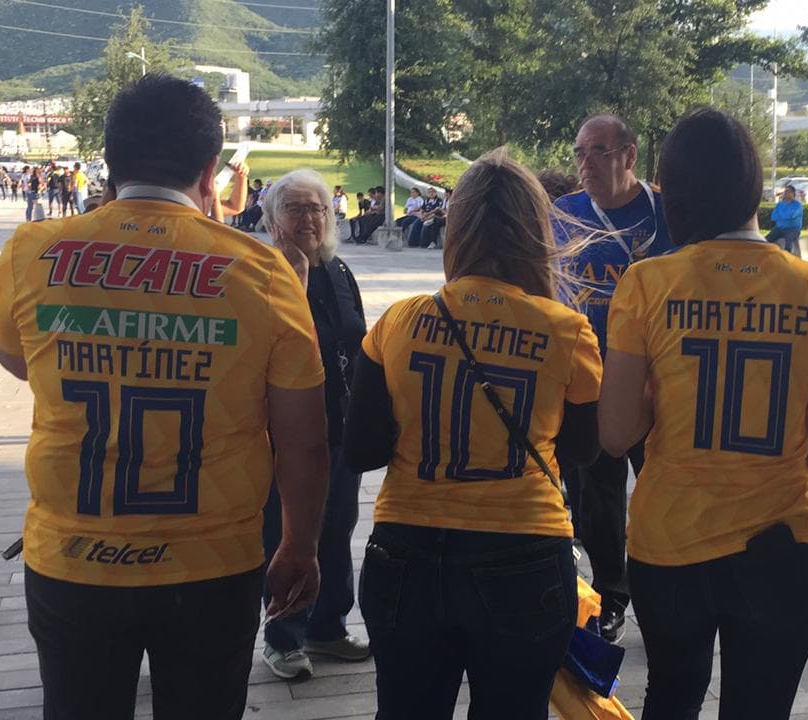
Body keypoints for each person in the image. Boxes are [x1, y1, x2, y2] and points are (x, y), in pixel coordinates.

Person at [0, 74, 330, 720]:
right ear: (209, 170)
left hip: (74, 557)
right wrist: (300, 545)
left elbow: (18, 358)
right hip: (213, 563)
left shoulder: (32, 252)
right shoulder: (263, 273)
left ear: (110, 160)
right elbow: (304, 439)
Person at [599, 108, 808, 718]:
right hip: (780, 540)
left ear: (673, 190)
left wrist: (661, 390)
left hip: (670, 540)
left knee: (671, 697)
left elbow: (614, 435)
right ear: (753, 186)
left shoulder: (646, 283)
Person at [344, 150, 602, 718]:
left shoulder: (399, 321)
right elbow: (583, 450)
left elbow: (360, 449)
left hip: (406, 551)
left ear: (456, 231)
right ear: (536, 233)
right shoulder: (568, 331)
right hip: (524, 553)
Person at [552, 113, 673, 642]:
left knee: (661, 488)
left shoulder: (667, 214)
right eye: (580, 153)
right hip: (589, 379)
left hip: (659, 382)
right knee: (596, 499)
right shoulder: (563, 214)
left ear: (629, 154)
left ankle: (664, 586)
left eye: (599, 152)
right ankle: (610, 594)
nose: (586, 164)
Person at [258, 169, 371, 678]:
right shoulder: (263, 273)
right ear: (273, 219)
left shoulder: (339, 271)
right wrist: (295, 280)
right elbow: (270, 342)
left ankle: (328, 627)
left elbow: (358, 342)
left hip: (339, 425)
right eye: (296, 208)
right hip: (283, 432)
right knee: (286, 531)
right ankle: (283, 636)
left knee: (338, 525)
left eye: (317, 208)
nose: (309, 218)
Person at [767, 184, 804, 254]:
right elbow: (773, 217)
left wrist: (781, 217)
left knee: (788, 239)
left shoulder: (798, 206)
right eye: (785, 191)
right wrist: (785, 216)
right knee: (767, 239)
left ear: (793, 194)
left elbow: (792, 216)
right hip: (779, 228)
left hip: (793, 229)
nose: (786, 193)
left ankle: (787, 256)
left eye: (789, 191)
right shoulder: (779, 205)